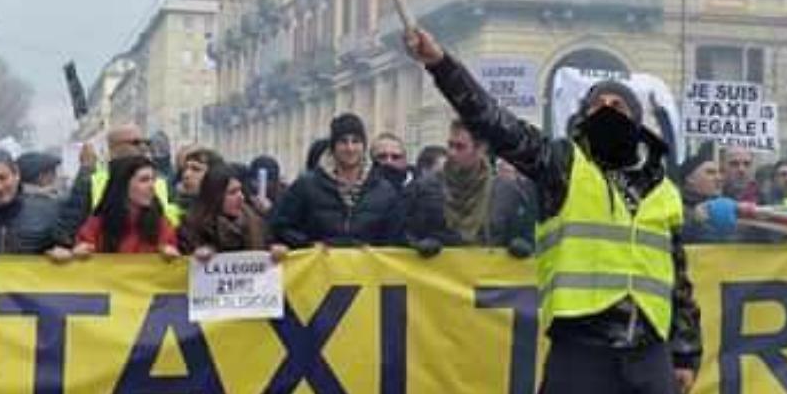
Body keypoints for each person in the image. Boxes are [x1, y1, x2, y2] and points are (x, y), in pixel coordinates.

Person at [406, 28, 700, 394]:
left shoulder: (663, 187)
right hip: (583, 348)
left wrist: (686, 354)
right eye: (598, 106)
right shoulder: (560, 163)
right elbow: (493, 122)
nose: (608, 113)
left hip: (648, 351)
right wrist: (440, 64)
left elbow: (678, 278)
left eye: (618, 107)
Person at [405, 119, 536, 257]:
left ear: (480, 150)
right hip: (440, 275)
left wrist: (520, 245)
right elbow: (405, 235)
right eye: (450, 145)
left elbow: (524, 235)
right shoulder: (425, 188)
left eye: (460, 147)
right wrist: (418, 245)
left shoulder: (507, 192)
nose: (451, 153)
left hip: (487, 274)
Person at [271, 113, 404, 248]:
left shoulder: (384, 190)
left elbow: (394, 236)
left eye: (356, 141)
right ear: (333, 147)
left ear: (364, 146)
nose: (350, 148)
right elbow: (282, 227)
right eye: (343, 141)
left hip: (366, 268)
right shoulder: (306, 186)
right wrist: (307, 245)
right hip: (320, 266)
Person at [62, 124, 182, 236]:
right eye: (136, 143)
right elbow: (69, 229)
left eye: (147, 143)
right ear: (114, 148)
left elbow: (176, 229)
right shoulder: (91, 182)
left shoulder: (162, 182)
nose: (144, 148)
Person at [73, 156, 180, 258]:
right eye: (144, 180)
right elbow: (79, 261)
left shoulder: (161, 225)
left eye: (153, 180)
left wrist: (171, 253)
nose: (152, 186)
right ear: (123, 185)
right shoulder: (96, 225)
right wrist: (77, 253)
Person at [178, 162, 286, 261]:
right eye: (232, 192)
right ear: (215, 197)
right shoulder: (192, 226)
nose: (241, 197)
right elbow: (180, 264)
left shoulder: (255, 222)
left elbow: (269, 246)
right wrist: (194, 256)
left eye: (241, 190)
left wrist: (276, 250)